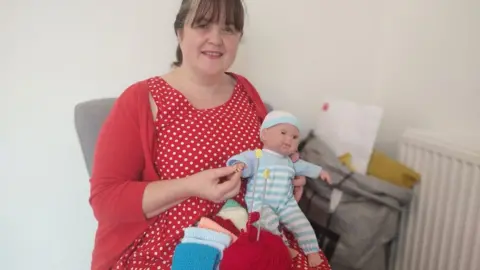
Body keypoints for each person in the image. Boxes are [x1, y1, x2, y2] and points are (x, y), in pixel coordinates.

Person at [88, 0, 332, 269]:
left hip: (251, 234)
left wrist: (283, 178)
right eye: (203, 25)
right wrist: (190, 186)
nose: (216, 39)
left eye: (228, 29)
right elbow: (106, 200)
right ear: (180, 32)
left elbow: (269, 153)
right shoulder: (141, 100)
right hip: (172, 249)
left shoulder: (246, 91)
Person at [226, 110, 331, 267]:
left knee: (301, 222)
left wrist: (320, 172)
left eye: (294, 137)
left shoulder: (290, 162)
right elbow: (243, 161)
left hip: (285, 202)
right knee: (266, 223)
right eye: (283, 132)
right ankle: (282, 247)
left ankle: (312, 251)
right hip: (260, 201)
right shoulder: (258, 155)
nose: (289, 139)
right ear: (264, 134)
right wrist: (239, 165)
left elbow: (306, 167)